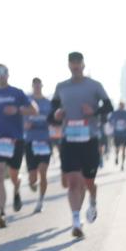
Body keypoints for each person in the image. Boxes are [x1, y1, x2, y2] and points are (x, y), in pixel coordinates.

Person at [47, 52, 113, 238]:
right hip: (69, 140)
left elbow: (109, 107)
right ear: (69, 65)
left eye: (78, 63)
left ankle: (92, 198)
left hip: (89, 140)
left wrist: (94, 111)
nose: (75, 66)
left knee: (88, 182)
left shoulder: (94, 86)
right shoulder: (61, 87)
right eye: (72, 63)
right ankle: (76, 222)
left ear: (83, 65)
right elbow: (51, 113)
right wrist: (56, 115)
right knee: (73, 182)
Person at [0, 65, 37, 228]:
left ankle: (17, 189)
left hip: (16, 140)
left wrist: (18, 110)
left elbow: (34, 110)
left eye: (4, 72)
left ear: (8, 74)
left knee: (13, 174)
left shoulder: (17, 93)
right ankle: (2, 212)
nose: (1, 75)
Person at [24, 77, 53, 213]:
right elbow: (21, 120)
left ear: (42, 86)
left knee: (43, 171)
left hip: (45, 141)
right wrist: (25, 125)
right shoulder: (27, 102)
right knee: (33, 177)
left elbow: (53, 120)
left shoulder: (48, 103)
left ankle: (40, 200)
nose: (37, 88)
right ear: (32, 86)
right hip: (30, 141)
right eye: (34, 85)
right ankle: (32, 182)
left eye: (38, 85)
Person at [110, 101, 126, 170]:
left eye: (122, 105)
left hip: (124, 134)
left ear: (124, 106)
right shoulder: (115, 113)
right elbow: (110, 121)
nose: (121, 107)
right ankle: (117, 156)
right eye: (121, 105)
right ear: (119, 105)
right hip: (117, 134)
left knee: (124, 149)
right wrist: (114, 124)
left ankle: (122, 164)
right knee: (117, 149)